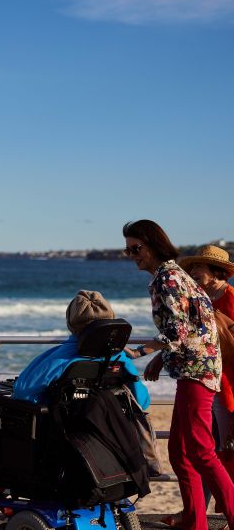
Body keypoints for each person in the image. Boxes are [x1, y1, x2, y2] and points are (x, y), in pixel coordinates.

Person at [122, 220, 234, 530]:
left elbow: (177, 330)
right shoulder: (174, 275)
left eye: (136, 248)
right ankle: (195, 522)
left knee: (200, 451)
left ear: (154, 244)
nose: (132, 255)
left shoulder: (167, 278)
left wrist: (136, 353)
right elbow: (193, 327)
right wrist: (161, 356)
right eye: (127, 249)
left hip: (197, 373)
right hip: (198, 370)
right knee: (180, 452)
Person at [13, 289, 150, 411]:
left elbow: (23, 393)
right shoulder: (119, 358)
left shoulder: (61, 358)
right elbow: (142, 402)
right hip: (106, 430)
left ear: (70, 324)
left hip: (62, 429)